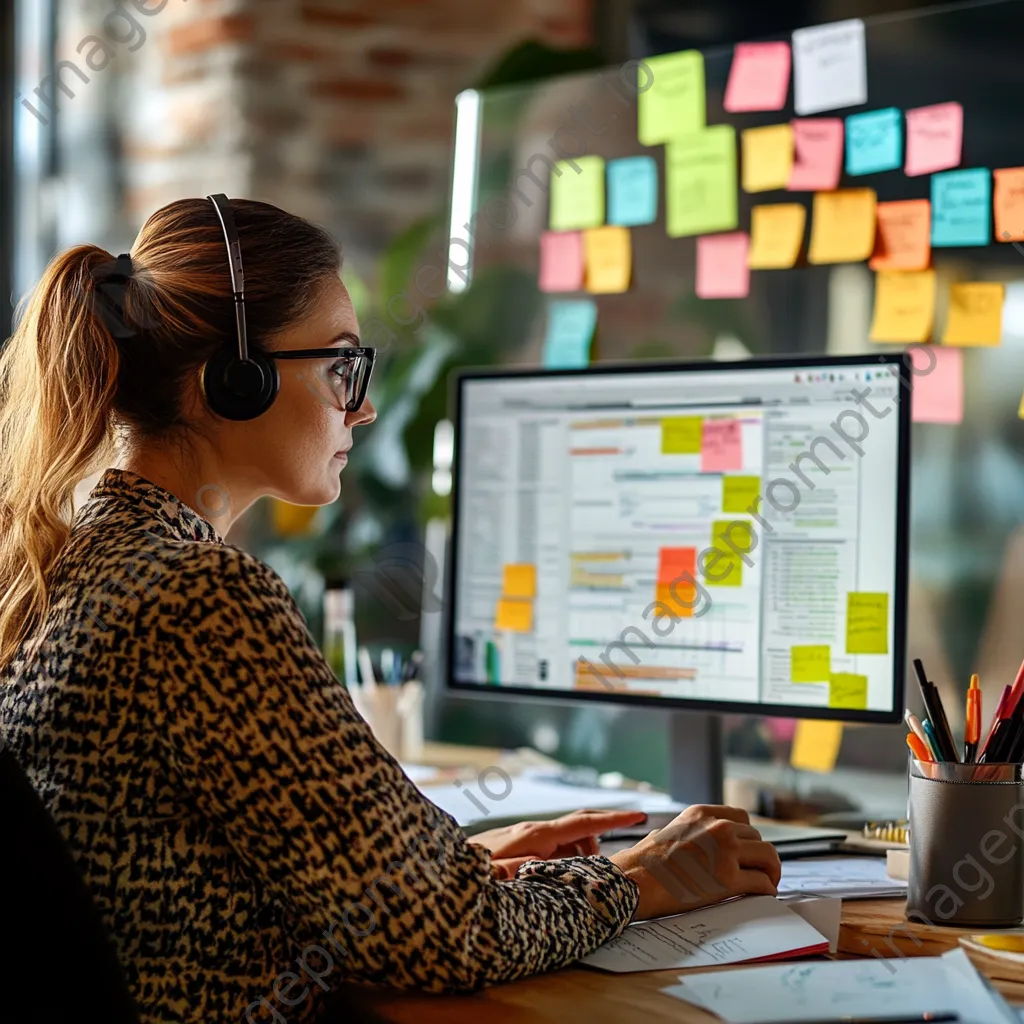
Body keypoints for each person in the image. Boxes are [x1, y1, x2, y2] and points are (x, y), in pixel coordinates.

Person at [0, 196, 781, 1024]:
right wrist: (641, 876)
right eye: (340, 366)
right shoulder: (197, 597)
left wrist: (444, 865)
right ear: (235, 380)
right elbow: (443, 937)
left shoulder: (68, 566)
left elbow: (188, 885)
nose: (363, 406)